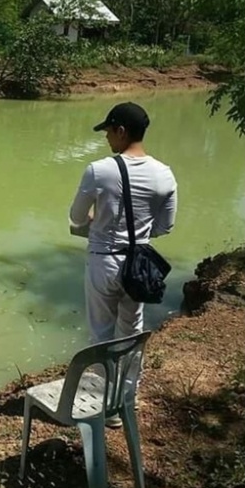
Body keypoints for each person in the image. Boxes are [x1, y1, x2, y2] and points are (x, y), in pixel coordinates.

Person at [69, 102, 177, 424]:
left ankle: (104, 407)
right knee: (131, 332)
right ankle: (126, 399)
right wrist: (139, 234)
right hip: (139, 266)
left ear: (121, 131)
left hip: (103, 262)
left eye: (108, 132)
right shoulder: (164, 174)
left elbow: (76, 217)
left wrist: (95, 219)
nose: (106, 139)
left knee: (101, 333)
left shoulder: (98, 170)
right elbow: (165, 226)